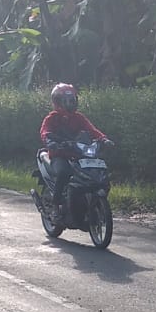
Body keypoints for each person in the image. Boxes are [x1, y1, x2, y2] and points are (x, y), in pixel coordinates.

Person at [39, 83, 110, 218]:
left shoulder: (79, 117)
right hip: (59, 155)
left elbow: (92, 130)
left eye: (71, 100)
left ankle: (90, 204)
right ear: (57, 102)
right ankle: (55, 207)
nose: (69, 104)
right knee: (64, 173)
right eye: (65, 101)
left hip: (78, 154)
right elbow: (45, 131)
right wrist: (50, 142)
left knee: (98, 175)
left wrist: (103, 139)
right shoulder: (52, 118)